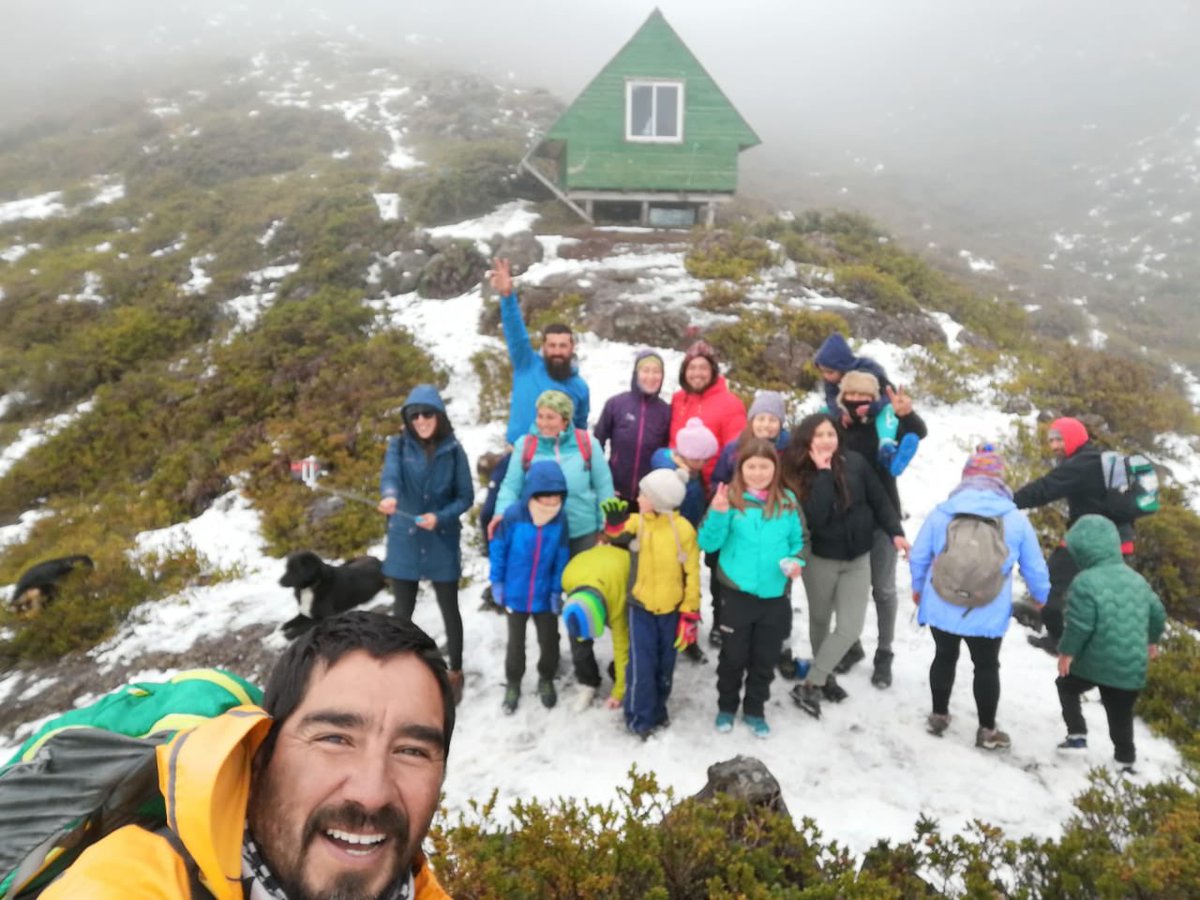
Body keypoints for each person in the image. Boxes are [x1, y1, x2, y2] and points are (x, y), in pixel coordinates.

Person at [42, 611, 453, 899]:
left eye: (411, 751)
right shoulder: (125, 883)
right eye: (334, 739)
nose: (372, 793)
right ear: (261, 755)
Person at [910, 444, 1051, 750]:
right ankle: (987, 730)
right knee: (986, 666)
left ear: (966, 476)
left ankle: (939, 715)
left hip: (942, 601)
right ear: (1000, 479)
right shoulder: (1014, 518)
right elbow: (1034, 567)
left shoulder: (942, 512)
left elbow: (919, 555)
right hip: (988, 607)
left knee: (944, 656)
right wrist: (1042, 598)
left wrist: (918, 588)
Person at [783, 413, 908, 720]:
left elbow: (879, 499)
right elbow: (815, 517)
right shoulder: (796, 473)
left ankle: (812, 682)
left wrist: (895, 532)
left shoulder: (855, 462)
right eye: (819, 435)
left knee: (850, 627)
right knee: (820, 621)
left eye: (831, 434)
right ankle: (825, 677)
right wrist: (824, 473)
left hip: (858, 559)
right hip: (821, 559)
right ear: (807, 440)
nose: (827, 440)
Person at [699, 440, 805, 739]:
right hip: (736, 595)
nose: (758, 473)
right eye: (752, 467)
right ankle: (726, 707)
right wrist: (718, 514)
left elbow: (799, 542)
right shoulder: (729, 500)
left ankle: (755, 709)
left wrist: (797, 562)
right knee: (733, 657)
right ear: (741, 469)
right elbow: (708, 543)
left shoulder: (787, 502)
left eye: (764, 466)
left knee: (765, 658)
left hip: (774, 596)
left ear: (775, 468)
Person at [379, 384, 474, 704]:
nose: (420, 420)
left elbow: (466, 496)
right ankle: (396, 669)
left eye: (427, 414)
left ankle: (455, 670)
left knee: (450, 608)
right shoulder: (398, 446)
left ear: (439, 416)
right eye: (414, 415)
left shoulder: (454, 450)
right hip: (405, 539)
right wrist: (390, 496)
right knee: (401, 613)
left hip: (441, 540)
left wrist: (440, 516)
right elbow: (390, 477)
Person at [833, 371, 927, 689]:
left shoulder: (886, 423)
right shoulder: (836, 426)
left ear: (874, 399)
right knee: (848, 589)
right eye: (852, 394)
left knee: (883, 589)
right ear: (842, 396)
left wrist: (906, 414)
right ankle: (852, 644)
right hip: (846, 519)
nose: (857, 400)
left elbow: (918, 432)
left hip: (883, 518)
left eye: (865, 395)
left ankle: (884, 653)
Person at [1013, 417, 1137, 654]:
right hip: (1119, 541)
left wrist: (1007, 501)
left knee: (1049, 582)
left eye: (1059, 440)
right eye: (1051, 441)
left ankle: (1058, 640)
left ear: (1074, 438)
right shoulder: (1097, 460)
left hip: (1091, 540)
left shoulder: (1082, 464)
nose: (1054, 446)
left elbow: (1045, 489)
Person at [1054, 514, 1166, 774]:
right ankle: (1125, 759)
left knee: (1066, 685)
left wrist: (1067, 653)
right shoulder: (1137, 580)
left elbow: (1080, 625)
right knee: (1120, 712)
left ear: (1082, 550)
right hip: (1131, 664)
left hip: (1094, 661)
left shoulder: (1085, 581)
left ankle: (1077, 735)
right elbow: (1158, 614)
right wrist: (1151, 641)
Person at [602, 469, 701, 739]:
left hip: (672, 609)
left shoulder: (684, 530)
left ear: (660, 500)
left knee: (665, 664)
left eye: (643, 494)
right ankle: (639, 717)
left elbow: (692, 572)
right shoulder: (639, 522)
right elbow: (616, 534)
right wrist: (613, 523)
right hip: (641, 608)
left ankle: (658, 709)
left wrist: (690, 610)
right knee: (642, 666)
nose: (638, 498)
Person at [709, 391, 794, 648]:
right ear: (752, 419)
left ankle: (774, 632)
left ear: (781, 423)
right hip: (736, 523)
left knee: (777, 575)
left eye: (773, 419)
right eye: (761, 418)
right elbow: (717, 480)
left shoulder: (790, 450)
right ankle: (720, 621)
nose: (766, 425)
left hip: (774, 523)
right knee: (724, 576)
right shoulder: (734, 448)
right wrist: (724, 501)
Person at [489, 459, 572, 714]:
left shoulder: (560, 519)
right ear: (533, 492)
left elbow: (561, 557)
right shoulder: (514, 515)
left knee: (549, 641)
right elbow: (499, 549)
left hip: (544, 595)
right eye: (546, 495)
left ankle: (546, 677)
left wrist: (556, 590)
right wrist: (497, 582)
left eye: (556, 495)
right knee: (516, 643)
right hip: (515, 594)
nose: (551, 501)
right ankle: (513, 682)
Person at [492, 389, 615, 557]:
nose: (543, 423)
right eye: (540, 416)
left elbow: (604, 487)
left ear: (565, 420)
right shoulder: (525, 445)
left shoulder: (587, 443)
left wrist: (606, 524)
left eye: (550, 417)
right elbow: (511, 487)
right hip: (540, 532)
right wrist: (501, 514)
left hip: (582, 532)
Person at [489, 258, 589, 444]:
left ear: (572, 348)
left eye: (562, 346)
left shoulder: (580, 387)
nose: (557, 351)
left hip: (558, 456)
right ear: (543, 347)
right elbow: (515, 333)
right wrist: (507, 296)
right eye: (552, 345)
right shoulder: (527, 364)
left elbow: (580, 429)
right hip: (518, 453)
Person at [647, 416, 719, 663]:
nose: (704, 464)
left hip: (689, 540)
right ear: (685, 454)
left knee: (690, 589)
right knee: (668, 590)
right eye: (701, 459)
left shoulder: (692, 472)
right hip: (667, 543)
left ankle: (689, 636)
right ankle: (662, 636)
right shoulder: (668, 474)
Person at [812, 333, 919, 476]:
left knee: (886, 413)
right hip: (846, 468)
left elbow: (888, 394)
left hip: (877, 410)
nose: (826, 376)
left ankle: (887, 450)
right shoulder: (830, 383)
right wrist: (840, 414)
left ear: (841, 367)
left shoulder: (870, 370)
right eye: (822, 372)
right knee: (823, 414)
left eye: (830, 372)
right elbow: (831, 400)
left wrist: (873, 407)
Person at [560, 541, 632, 713]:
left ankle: (623, 676)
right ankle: (588, 681)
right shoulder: (567, 577)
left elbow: (621, 649)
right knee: (578, 638)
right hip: (590, 568)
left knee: (630, 640)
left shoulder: (618, 605)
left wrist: (618, 693)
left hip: (621, 571)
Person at [594, 349, 672, 502]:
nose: (651, 377)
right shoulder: (616, 404)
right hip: (615, 490)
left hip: (648, 496)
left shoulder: (666, 411)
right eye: (645, 370)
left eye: (656, 371)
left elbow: (666, 453)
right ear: (636, 373)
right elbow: (597, 444)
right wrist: (600, 480)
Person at [668, 340, 746, 485]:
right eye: (692, 368)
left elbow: (736, 453)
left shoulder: (730, 404)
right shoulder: (678, 399)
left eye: (703, 368)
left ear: (713, 371)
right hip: (674, 482)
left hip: (710, 487)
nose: (697, 373)